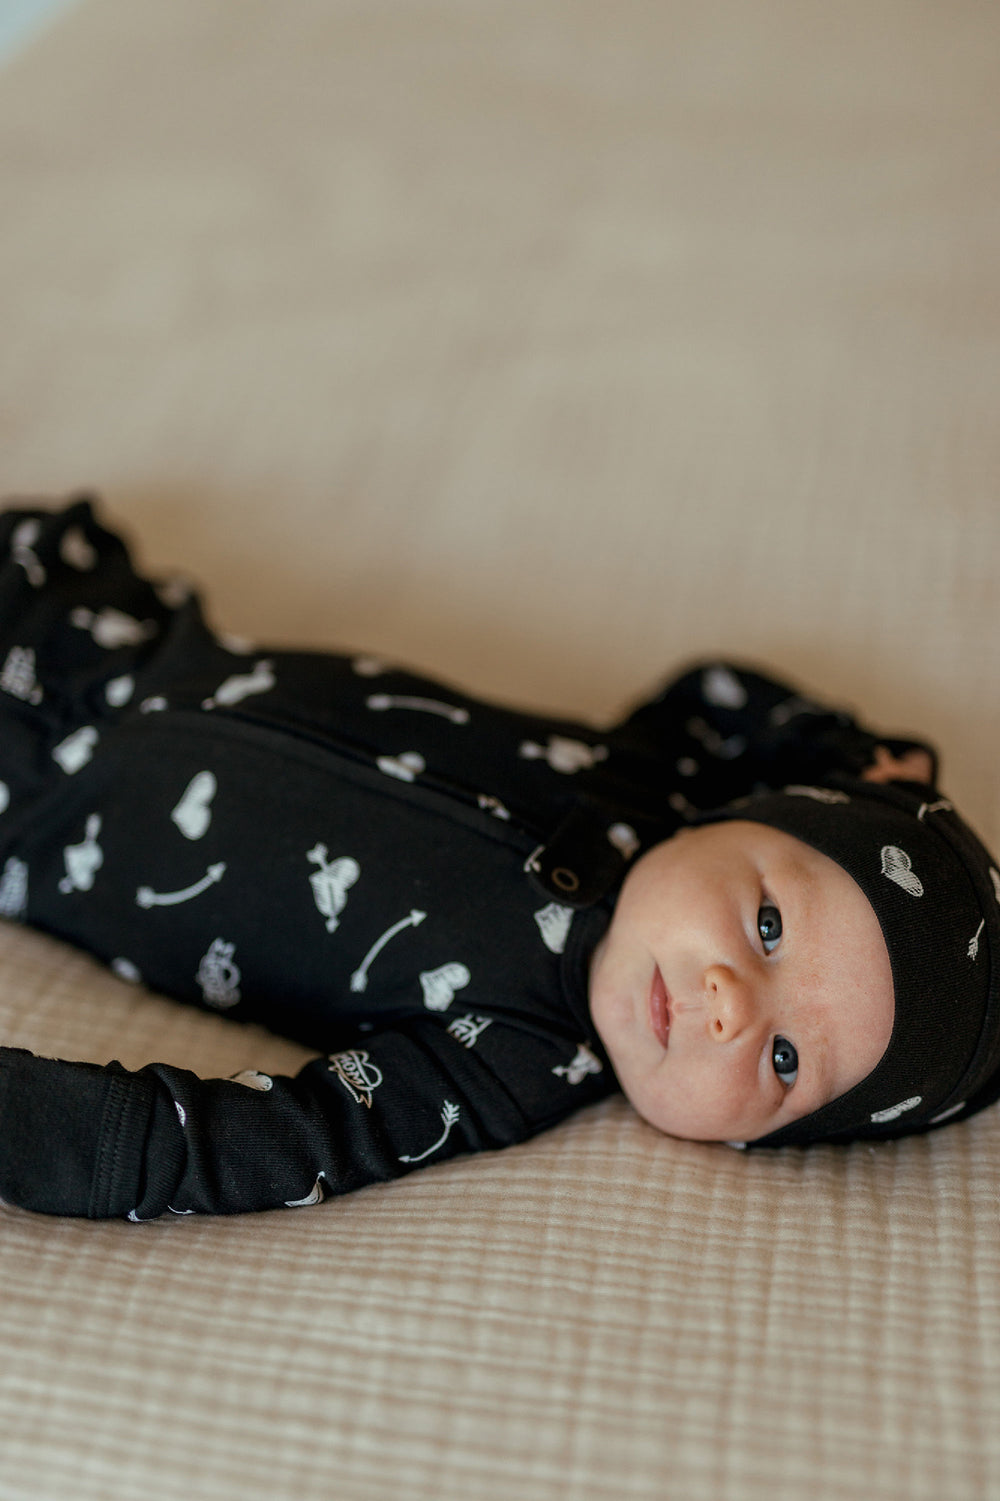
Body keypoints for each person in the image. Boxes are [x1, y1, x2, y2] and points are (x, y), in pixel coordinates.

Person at [0, 497, 997, 1220]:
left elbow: (271, 1142)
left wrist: (52, 1134)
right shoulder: (655, 781)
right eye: (769, 925)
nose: (732, 1007)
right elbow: (715, 690)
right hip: (118, 638)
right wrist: (837, 747)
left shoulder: (504, 1060)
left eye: (783, 1062)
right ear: (743, 818)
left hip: (32, 811)